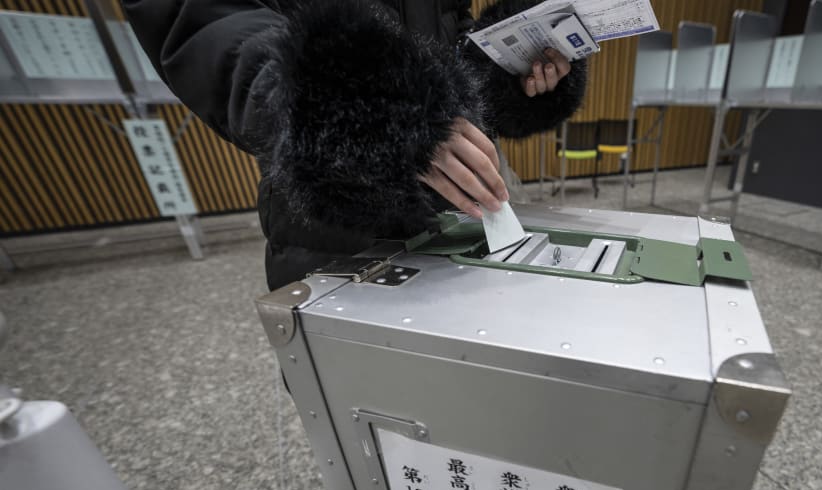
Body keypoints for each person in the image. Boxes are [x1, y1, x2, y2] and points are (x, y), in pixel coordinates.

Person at [123, 0, 588, 290]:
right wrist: (380, 109)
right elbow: (204, 23)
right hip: (339, 206)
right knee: (364, 404)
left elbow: (446, 28)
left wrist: (504, 68)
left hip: (458, 200)